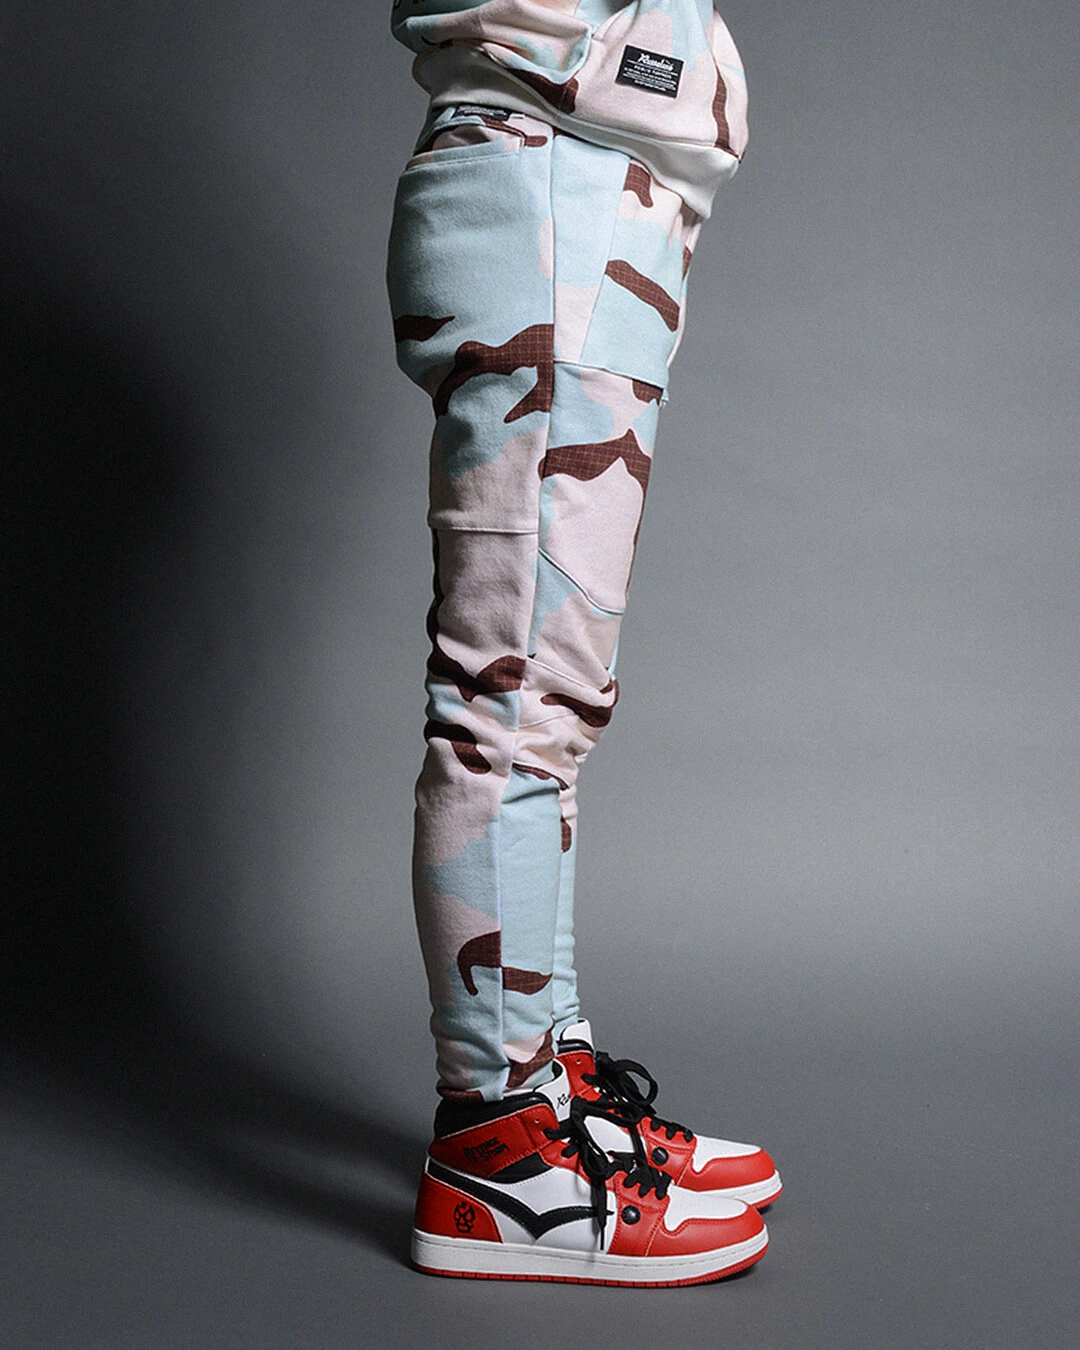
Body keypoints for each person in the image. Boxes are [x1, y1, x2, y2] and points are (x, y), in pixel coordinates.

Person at [386, 0, 779, 1286]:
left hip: (592, 189)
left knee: (547, 706)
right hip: (552, 179)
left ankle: (551, 1086)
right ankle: (500, 1151)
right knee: (514, 701)